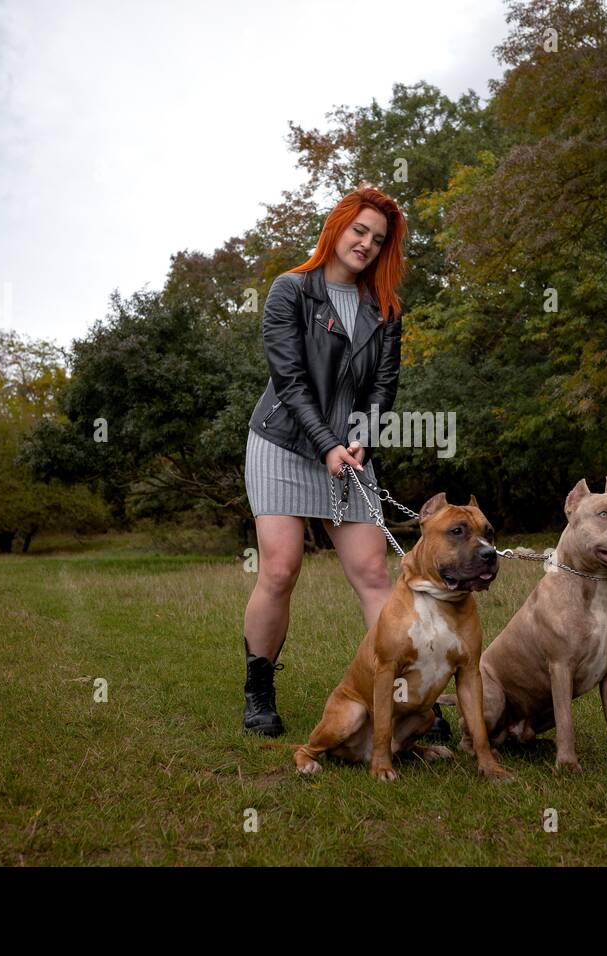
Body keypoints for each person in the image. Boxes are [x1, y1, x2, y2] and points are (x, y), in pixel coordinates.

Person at [241, 185, 449, 740]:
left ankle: (409, 697)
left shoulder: (386, 310)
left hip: (348, 452)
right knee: (280, 569)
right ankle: (259, 690)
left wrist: (360, 440)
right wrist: (326, 442)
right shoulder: (290, 291)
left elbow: (383, 387)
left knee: (375, 574)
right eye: (359, 231)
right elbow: (290, 379)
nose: (366, 244)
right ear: (336, 229)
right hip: (284, 442)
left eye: (378, 240)